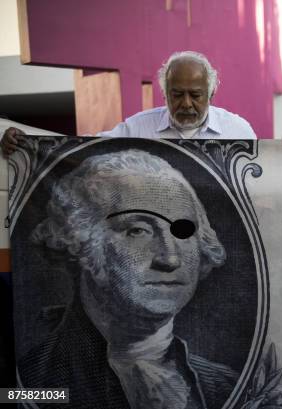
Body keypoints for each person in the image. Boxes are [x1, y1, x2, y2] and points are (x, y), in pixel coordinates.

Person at [18, 150, 237, 409]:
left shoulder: (228, 386)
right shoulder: (27, 384)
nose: (169, 259)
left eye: (183, 230)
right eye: (138, 231)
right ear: (80, 241)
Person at [1, 51, 255, 155]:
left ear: (210, 95)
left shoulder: (239, 131)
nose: (186, 103)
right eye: (177, 94)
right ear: (165, 94)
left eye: (195, 95)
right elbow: (86, 151)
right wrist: (28, 144)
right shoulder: (137, 128)